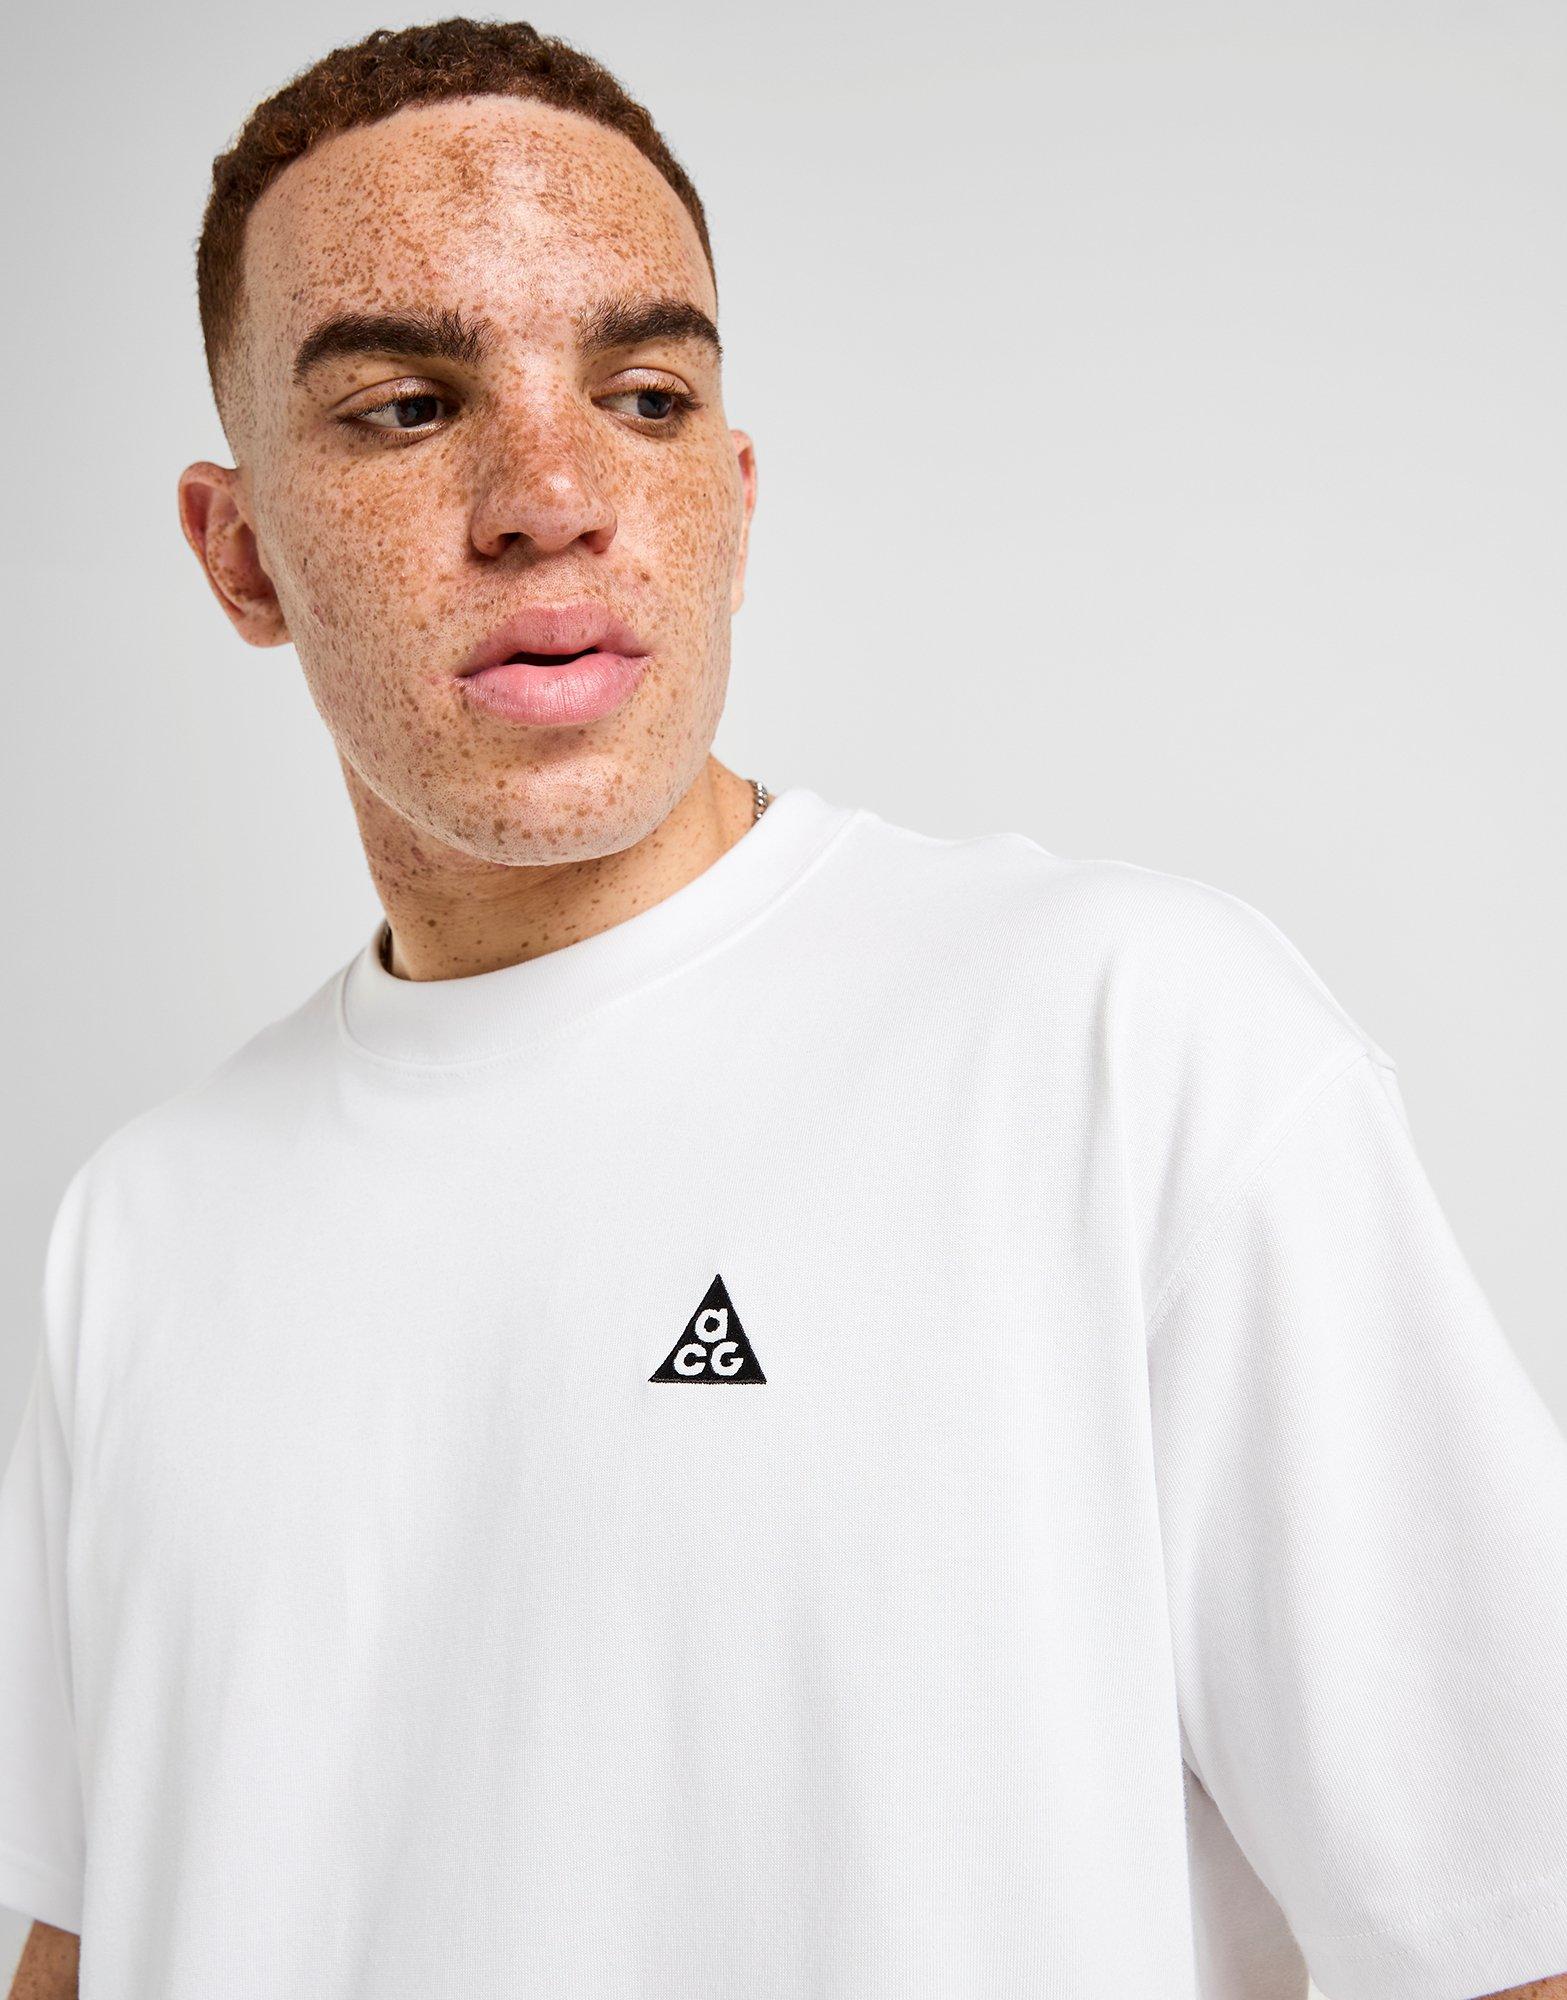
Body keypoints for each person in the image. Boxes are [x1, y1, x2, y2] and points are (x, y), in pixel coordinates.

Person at [3, 17, 1565, 2000]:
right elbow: (92, 1940)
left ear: (733, 502)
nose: (549, 493)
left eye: (643, 396)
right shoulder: (139, 1231)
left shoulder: (1128, 1049)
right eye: (405, 408)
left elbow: (1507, 1931)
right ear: (241, 558)